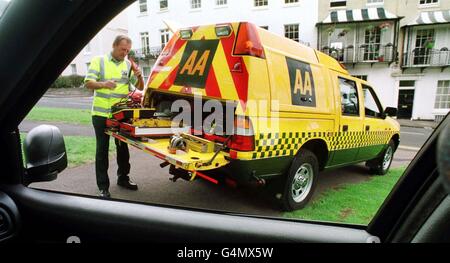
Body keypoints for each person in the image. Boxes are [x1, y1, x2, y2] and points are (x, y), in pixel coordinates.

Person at [84, 35, 144, 198]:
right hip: (101, 115)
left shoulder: (127, 64)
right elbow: (88, 83)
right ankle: (103, 187)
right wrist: (104, 84)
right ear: (114, 45)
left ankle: (123, 178)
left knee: (123, 148)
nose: (125, 53)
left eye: (127, 50)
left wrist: (139, 76)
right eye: (122, 49)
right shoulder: (99, 61)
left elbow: (137, 89)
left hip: (120, 115)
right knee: (102, 150)